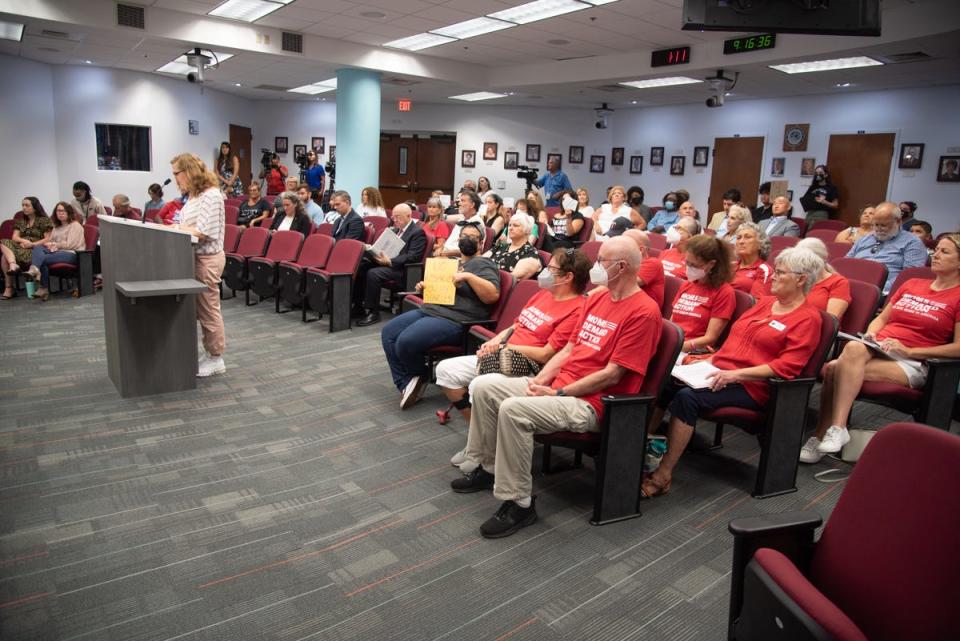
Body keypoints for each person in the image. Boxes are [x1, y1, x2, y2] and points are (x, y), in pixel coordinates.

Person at [450, 237, 662, 538]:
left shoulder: (643, 311)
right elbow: (568, 349)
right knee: (485, 386)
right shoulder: (599, 297)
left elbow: (613, 374)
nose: (596, 267)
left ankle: (519, 503)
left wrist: (561, 392)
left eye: (602, 261)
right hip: (560, 388)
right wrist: (541, 381)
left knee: (514, 410)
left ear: (622, 267)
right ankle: (487, 467)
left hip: (594, 403)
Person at [643, 247, 824, 498]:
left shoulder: (808, 319)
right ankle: (643, 450)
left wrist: (735, 375)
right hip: (721, 370)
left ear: (801, 279)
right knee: (664, 381)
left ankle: (663, 474)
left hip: (753, 386)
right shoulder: (767, 304)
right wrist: (708, 359)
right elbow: (735, 342)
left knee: (688, 398)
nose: (772, 276)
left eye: (780, 272)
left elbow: (787, 367)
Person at [803, 234, 960, 463]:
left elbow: (958, 348)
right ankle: (837, 428)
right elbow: (881, 319)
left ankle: (822, 435)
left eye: (945, 252)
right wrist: (872, 334)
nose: (935, 255)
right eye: (936, 250)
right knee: (855, 348)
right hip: (879, 349)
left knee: (836, 368)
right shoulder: (912, 284)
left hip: (912, 361)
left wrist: (910, 352)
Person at [439, 248, 590, 461]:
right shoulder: (543, 294)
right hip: (503, 354)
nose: (545, 272)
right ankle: (482, 440)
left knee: (478, 386)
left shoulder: (577, 309)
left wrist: (506, 348)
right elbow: (516, 325)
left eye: (551, 268)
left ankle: (483, 448)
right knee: (446, 370)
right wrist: (496, 340)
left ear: (568, 277)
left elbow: (547, 354)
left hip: (528, 367)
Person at [381, 222, 500, 409]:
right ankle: (407, 383)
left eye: (472, 237)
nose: (467, 240)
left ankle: (419, 376)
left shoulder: (483, 264)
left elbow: (492, 296)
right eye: (464, 236)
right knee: (388, 332)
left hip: (456, 319)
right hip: (430, 310)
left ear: (480, 243)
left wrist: (469, 277)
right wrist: (424, 287)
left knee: (405, 341)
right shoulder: (450, 264)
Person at [646, 235, 736, 431]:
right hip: (677, 347)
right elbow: (672, 324)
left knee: (661, 378)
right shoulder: (687, 284)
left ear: (711, 264)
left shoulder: (723, 292)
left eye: (693, 263)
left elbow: (711, 337)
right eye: (687, 261)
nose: (687, 267)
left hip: (695, 352)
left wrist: (674, 346)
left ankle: (647, 432)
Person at [171, 153, 226, 377]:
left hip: (207, 260)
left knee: (208, 310)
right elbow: (185, 223)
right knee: (199, 310)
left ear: (189, 172)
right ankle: (208, 353)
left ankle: (216, 358)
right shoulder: (194, 196)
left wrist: (175, 229)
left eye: (177, 173)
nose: (175, 178)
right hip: (192, 258)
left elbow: (203, 231)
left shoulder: (211, 195)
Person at [354, 204, 427, 327]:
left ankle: (373, 312)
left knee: (373, 273)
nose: (394, 219)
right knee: (361, 267)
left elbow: (412, 256)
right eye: (393, 216)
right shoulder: (395, 229)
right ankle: (358, 306)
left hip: (403, 270)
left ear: (409, 216)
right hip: (388, 264)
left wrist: (390, 261)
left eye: (398, 217)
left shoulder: (417, 232)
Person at [845, 201, 928, 294]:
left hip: (882, 291)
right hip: (851, 285)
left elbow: (909, 277)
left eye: (883, 225)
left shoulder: (912, 242)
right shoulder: (865, 239)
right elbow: (846, 262)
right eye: (876, 224)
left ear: (898, 222)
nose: (879, 229)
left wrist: (875, 288)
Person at [24, 201, 85, 301]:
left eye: (62, 211)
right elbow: (51, 240)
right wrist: (49, 244)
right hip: (56, 252)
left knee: (41, 259)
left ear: (68, 212)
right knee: (38, 248)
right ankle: (36, 270)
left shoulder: (75, 225)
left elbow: (71, 245)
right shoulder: (57, 227)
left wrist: (54, 244)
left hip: (72, 254)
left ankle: (42, 285)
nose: (60, 213)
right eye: (57, 211)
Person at [2, 197, 52, 299]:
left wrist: (32, 244)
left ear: (35, 208)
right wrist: (24, 241)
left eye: (27, 205)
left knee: (4, 257)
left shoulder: (44, 221)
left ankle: (9, 288)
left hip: (36, 250)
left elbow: (47, 239)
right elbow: (14, 237)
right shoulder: (21, 221)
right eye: (23, 205)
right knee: (3, 241)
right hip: (22, 247)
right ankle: (13, 264)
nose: (24, 208)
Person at [792, 237, 851, 320]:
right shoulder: (798, 277)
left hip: (814, 326)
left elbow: (831, 320)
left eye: (805, 261)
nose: (801, 265)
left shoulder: (838, 282)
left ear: (821, 260)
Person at [485, 213, 542, 280]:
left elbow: (511, 279)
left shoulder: (530, 253)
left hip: (497, 285)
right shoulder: (501, 247)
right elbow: (479, 261)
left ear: (526, 230)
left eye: (515, 225)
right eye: (509, 225)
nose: (510, 228)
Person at [623, 229, 665, 308]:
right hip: (626, 306)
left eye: (624, 244)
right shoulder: (624, 263)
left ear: (640, 250)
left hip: (642, 312)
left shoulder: (653, 263)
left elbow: (627, 283)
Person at [731, 222, 772, 293]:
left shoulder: (763, 270)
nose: (741, 241)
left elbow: (757, 301)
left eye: (748, 237)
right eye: (738, 238)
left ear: (760, 244)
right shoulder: (729, 266)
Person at [441, 191, 484, 258]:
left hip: (459, 259)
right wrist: (441, 248)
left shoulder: (476, 223)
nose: (459, 203)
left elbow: (470, 250)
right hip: (446, 255)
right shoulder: (462, 218)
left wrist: (446, 253)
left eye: (463, 201)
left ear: (472, 205)